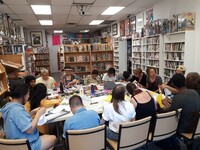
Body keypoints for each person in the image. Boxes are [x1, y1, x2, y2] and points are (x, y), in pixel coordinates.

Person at [0, 84, 57, 150]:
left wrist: (32, 112)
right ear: (23, 96)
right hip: (25, 145)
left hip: (14, 144)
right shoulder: (17, 110)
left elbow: (19, 119)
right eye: (28, 94)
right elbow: (29, 130)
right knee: (53, 138)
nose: (29, 96)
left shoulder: (9, 106)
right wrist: (38, 114)